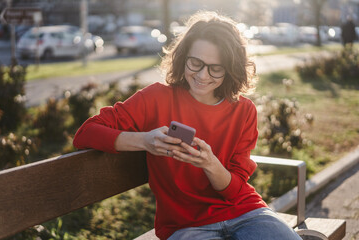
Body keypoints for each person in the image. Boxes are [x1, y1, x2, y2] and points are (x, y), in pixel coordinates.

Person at [73, 11, 301, 240]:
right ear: (184, 58)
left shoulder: (244, 110)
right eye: (196, 63)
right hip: (185, 226)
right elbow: (85, 133)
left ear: (231, 69)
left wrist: (210, 164)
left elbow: (234, 191)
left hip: (246, 212)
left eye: (216, 68)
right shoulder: (155, 98)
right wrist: (145, 141)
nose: (202, 75)